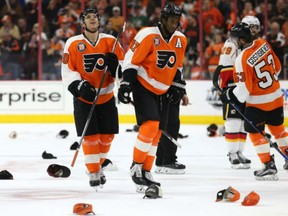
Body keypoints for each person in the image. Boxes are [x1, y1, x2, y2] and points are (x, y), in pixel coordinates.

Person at [117, 4, 187, 192]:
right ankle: (136, 167)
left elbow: (177, 67)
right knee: (150, 125)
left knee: (158, 131)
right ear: (163, 18)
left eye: (177, 20)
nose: (174, 23)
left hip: (163, 89)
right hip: (143, 85)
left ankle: (146, 171)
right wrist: (125, 84)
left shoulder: (181, 39)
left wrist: (178, 86)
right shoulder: (147, 34)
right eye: (171, 19)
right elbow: (131, 61)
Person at [61, 8, 124, 189]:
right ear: (83, 23)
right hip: (85, 99)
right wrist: (79, 87)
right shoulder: (73, 43)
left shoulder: (111, 42)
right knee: (90, 137)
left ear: (99, 20)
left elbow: (123, 66)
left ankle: (97, 165)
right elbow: (68, 70)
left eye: (95, 16)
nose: (92, 19)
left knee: (107, 137)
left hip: (106, 97)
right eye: (88, 17)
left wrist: (115, 68)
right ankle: (94, 171)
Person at [219, 22, 288, 181]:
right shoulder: (263, 43)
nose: (234, 42)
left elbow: (243, 92)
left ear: (242, 40)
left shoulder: (242, 58)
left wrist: (228, 94)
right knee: (278, 130)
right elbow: (277, 68)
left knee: (256, 133)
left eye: (235, 39)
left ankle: (268, 165)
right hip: (276, 97)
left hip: (258, 103)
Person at [213, 15, 261, 169]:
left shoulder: (247, 45)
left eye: (256, 27)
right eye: (251, 27)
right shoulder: (231, 45)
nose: (254, 30)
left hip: (243, 88)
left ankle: (239, 152)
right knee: (233, 121)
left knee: (242, 122)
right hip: (232, 88)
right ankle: (232, 153)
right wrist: (229, 90)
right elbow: (226, 69)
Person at [155, 93, 189, 174]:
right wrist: (181, 92)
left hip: (162, 92)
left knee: (164, 124)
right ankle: (168, 161)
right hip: (169, 92)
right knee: (171, 124)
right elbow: (174, 79)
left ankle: (161, 160)